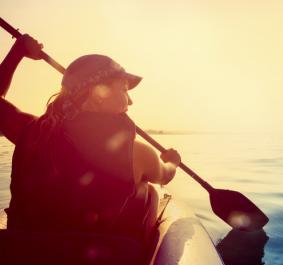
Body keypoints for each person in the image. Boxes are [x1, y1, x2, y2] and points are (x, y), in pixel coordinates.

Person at [0, 34, 181, 243]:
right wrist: (172, 161)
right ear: (98, 94)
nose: (130, 101)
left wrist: (17, 52)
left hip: (21, 256)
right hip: (87, 260)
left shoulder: (31, 131)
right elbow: (165, 175)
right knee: (147, 192)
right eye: (123, 89)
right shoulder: (138, 154)